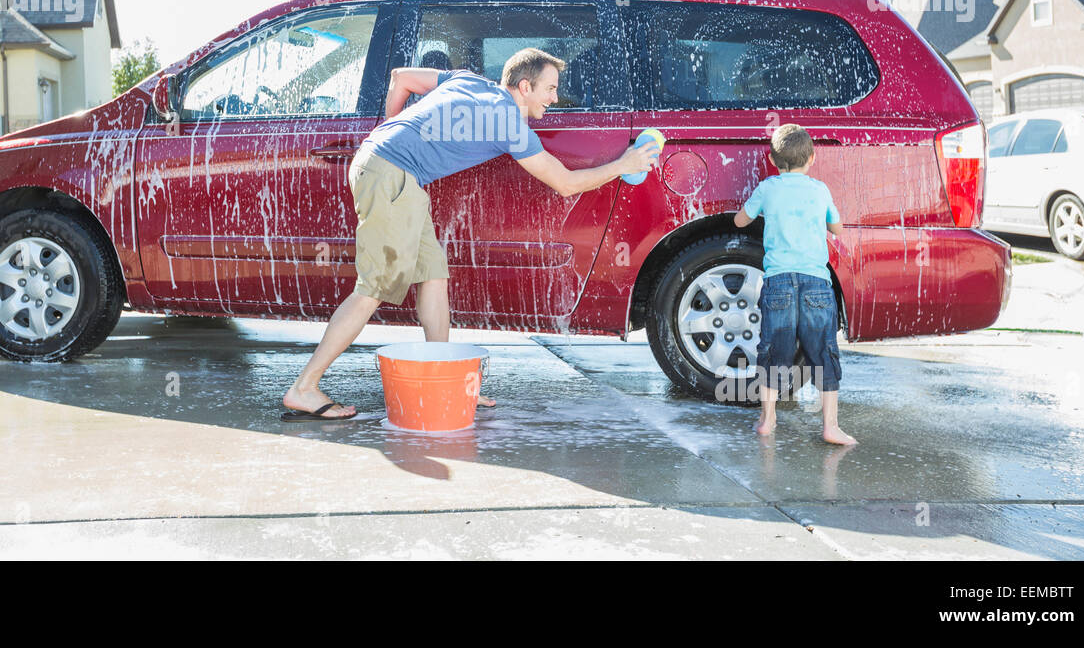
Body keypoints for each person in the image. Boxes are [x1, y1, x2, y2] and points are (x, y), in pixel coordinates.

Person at [281, 47, 660, 420]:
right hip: (391, 177)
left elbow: (400, 77)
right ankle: (304, 387)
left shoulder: (466, 81)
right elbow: (564, 183)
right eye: (550, 88)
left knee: (433, 277)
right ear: (524, 87)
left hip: (392, 174)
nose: (555, 98)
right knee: (373, 289)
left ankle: (442, 378)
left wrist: (387, 130)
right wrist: (623, 164)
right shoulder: (511, 125)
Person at [733, 123, 856, 445]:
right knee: (824, 352)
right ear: (812, 158)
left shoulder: (768, 187)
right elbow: (838, 228)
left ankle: (767, 418)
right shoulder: (820, 189)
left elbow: (739, 220)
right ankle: (830, 426)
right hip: (816, 282)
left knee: (774, 351)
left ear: (774, 160)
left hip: (778, 283)